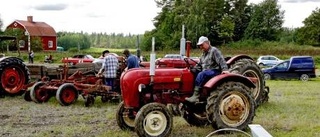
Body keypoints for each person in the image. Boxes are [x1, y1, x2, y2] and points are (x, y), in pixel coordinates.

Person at [185, 36, 229, 103]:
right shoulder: (203, 54)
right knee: (195, 73)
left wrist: (225, 69)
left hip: (215, 71)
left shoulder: (214, 50)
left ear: (207, 43)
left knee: (201, 74)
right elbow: (200, 64)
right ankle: (190, 92)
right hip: (207, 71)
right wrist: (194, 69)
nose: (200, 47)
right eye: (199, 46)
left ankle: (196, 96)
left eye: (201, 45)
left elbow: (221, 61)